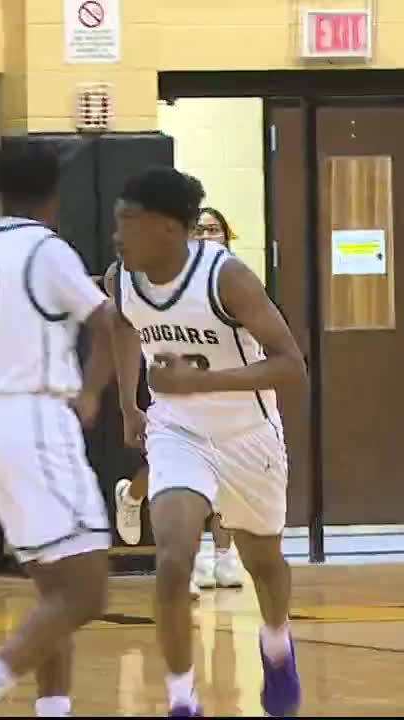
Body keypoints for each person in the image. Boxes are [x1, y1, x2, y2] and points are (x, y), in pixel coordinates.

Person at [0, 140, 117, 717]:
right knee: (87, 591)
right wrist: (91, 391)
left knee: (54, 592)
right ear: (54, 197)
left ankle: (52, 711)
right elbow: (108, 319)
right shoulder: (47, 249)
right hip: (36, 416)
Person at [107, 168, 307, 717]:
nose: (117, 235)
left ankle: (276, 644)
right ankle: (182, 701)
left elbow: (291, 365)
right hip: (177, 431)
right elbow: (121, 322)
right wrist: (129, 403)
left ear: (169, 229)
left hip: (248, 434)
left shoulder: (226, 278)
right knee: (173, 560)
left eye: (129, 222)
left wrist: (202, 381)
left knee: (263, 562)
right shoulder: (122, 277)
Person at [113, 206, 245, 593]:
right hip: (172, 396)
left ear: (227, 236)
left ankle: (224, 556)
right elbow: (121, 318)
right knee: (173, 476)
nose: (207, 236)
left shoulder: (237, 279)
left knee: (225, 478)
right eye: (199, 230)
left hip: (226, 398)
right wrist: (129, 403)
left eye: (214, 229)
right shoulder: (162, 281)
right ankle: (135, 499)